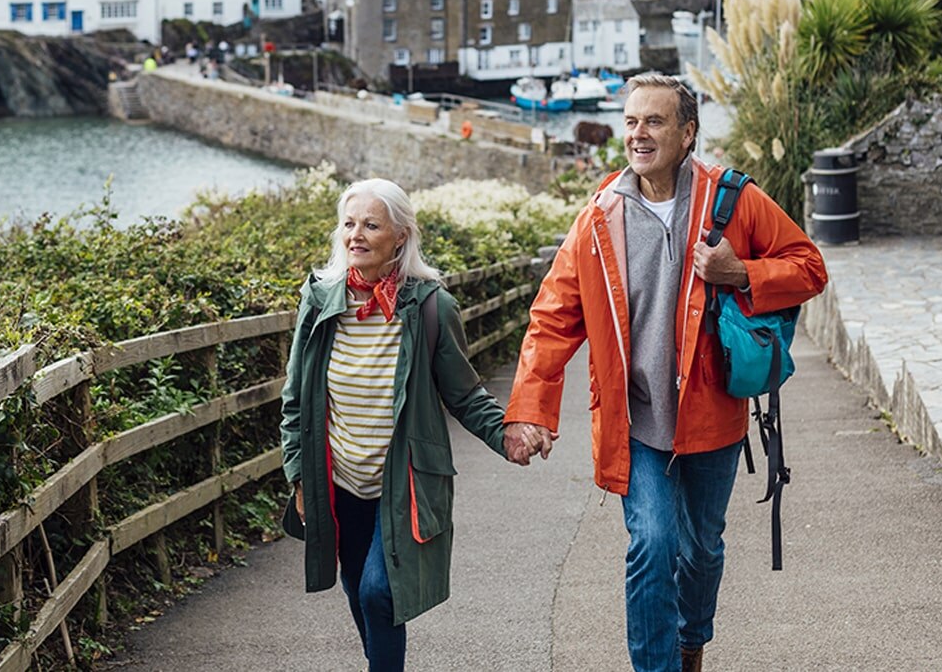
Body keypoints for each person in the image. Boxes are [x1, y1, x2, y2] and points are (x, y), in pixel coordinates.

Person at [504, 73, 828, 672]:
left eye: (654, 122)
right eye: (630, 122)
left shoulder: (733, 201)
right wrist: (528, 411)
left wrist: (742, 274)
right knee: (651, 545)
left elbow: (809, 267)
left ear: (688, 133)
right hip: (637, 420)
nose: (638, 134)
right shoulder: (599, 217)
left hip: (712, 415)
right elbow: (552, 318)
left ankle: (691, 640)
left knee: (701, 549)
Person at [279, 178, 548, 671]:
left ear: (400, 236)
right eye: (348, 223)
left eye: (371, 225)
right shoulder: (319, 303)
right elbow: (295, 399)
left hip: (400, 484)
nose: (355, 235)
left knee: (381, 594)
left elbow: (463, 393)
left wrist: (506, 433)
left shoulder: (430, 308)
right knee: (360, 590)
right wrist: (298, 474)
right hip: (338, 482)